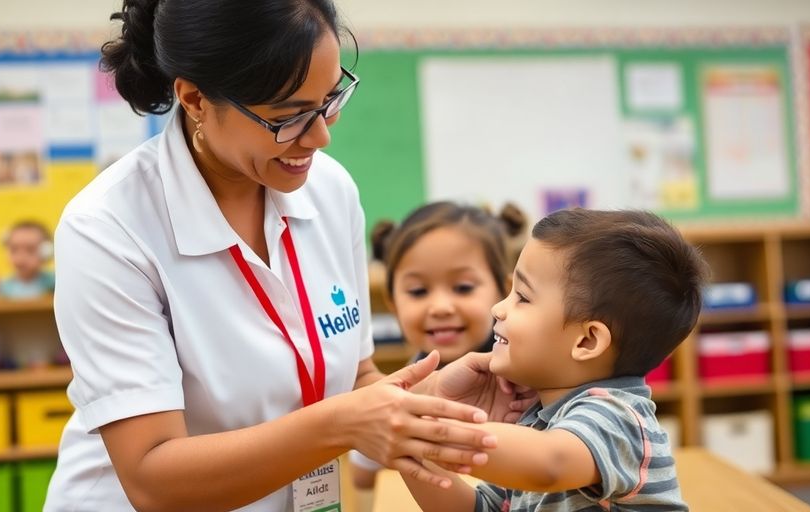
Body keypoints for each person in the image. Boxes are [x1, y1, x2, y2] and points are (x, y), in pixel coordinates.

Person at [45, 1, 523, 511]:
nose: (320, 136)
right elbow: (152, 478)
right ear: (195, 100)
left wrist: (421, 403)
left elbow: (353, 377)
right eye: (289, 117)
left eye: (331, 99)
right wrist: (342, 425)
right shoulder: (110, 229)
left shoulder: (330, 192)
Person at [402, 209, 708, 511]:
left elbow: (550, 464)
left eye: (522, 296)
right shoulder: (537, 421)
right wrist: (407, 433)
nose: (498, 308)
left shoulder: (619, 417)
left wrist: (434, 433)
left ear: (587, 340)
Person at [350, 201, 527, 490]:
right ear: (394, 303)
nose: (441, 307)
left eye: (463, 288)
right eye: (418, 291)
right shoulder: (406, 383)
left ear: (505, 291)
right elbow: (362, 476)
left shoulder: (525, 379)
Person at [0, 220, 55, 299]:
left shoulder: (54, 284)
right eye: (14, 249)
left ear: (47, 252)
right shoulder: (3, 287)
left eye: (30, 250)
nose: (21, 257)